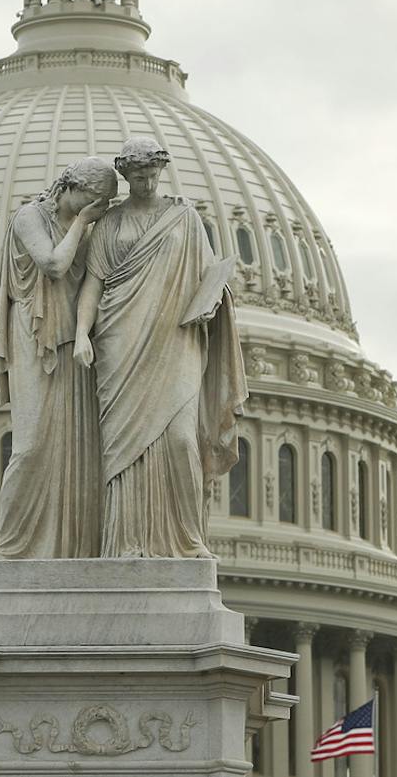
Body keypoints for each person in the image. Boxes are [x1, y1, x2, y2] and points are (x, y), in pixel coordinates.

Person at [73, 137, 247, 558]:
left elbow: (210, 276)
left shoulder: (184, 219)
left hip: (176, 338)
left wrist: (213, 300)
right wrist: (81, 334)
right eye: (137, 176)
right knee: (123, 451)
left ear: (161, 172)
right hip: (120, 342)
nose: (146, 182)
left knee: (181, 441)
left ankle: (186, 542)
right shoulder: (110, 224)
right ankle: (126, 542)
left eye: (152, 174)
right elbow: (92, 285)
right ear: (126, 177)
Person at [0, 157, 117, 558]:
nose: (95, 209)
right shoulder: (30, 216)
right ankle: (15, 549)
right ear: (69, 187)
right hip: (34, 333)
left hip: (74, 344)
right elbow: (54, 264)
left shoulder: (94, 228)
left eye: (102, 204)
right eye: (91, 200)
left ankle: (72, 549)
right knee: (30, 446)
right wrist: (82, 223)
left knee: (76, 449)